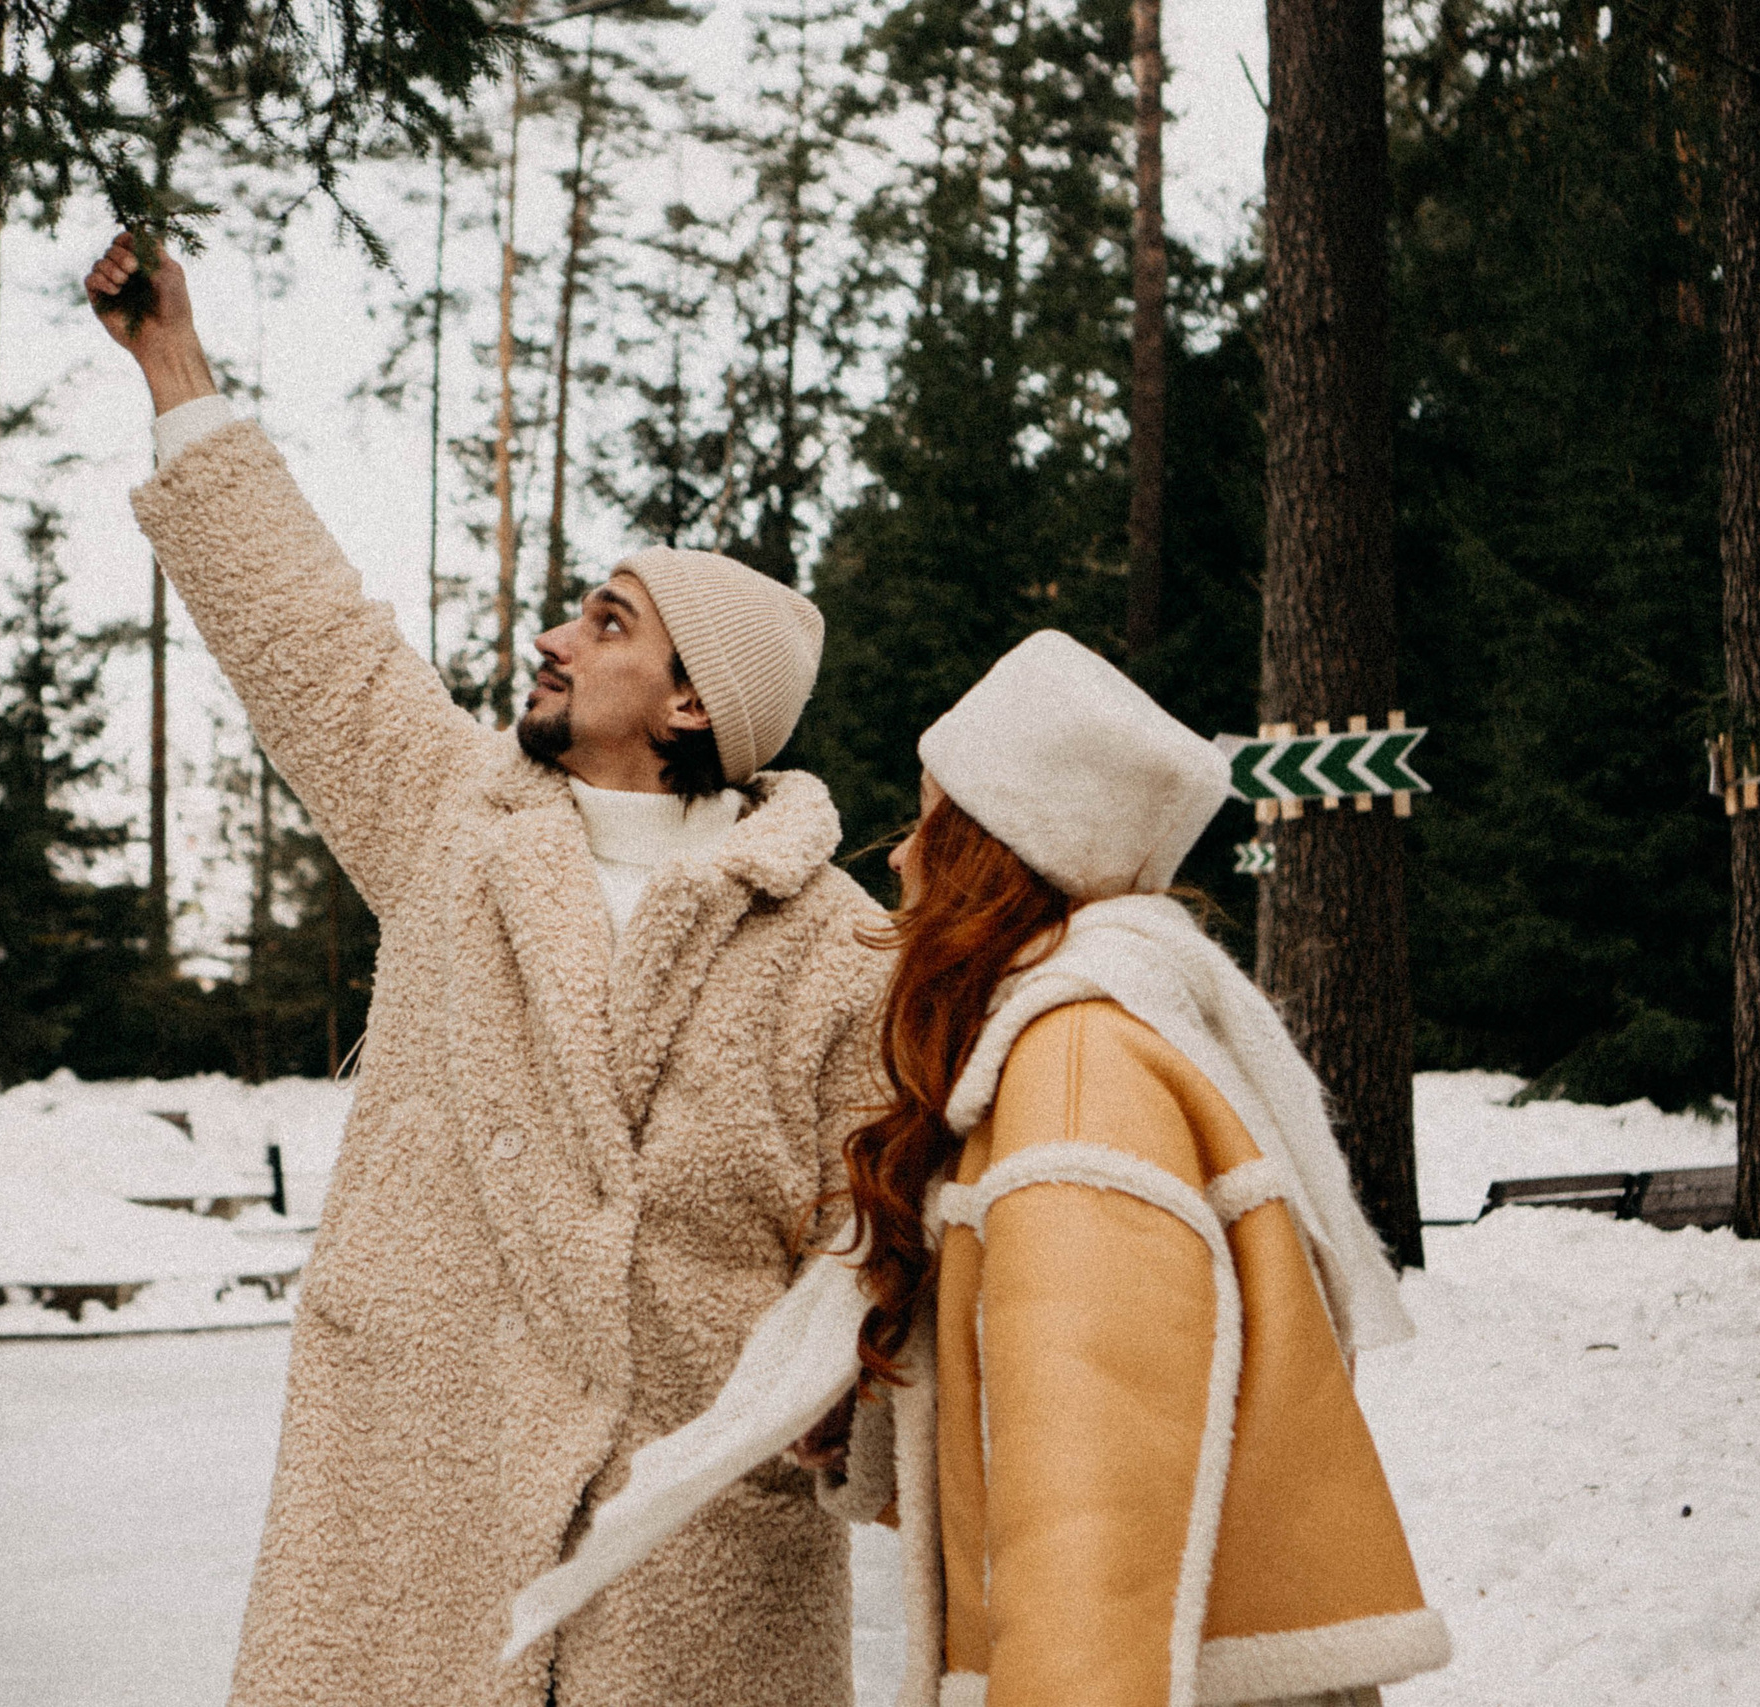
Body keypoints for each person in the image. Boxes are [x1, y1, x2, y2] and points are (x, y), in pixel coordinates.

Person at [84, 234, 890, 1707]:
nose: (551, 636)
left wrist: (827, 1412)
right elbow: (314, 643)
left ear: (699, 699)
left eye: (606, 620)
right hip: (420, 1512)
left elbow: (871, 1249)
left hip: (685, 1568)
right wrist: (174, 371)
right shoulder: (455, 827)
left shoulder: (833, 948)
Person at [505, 631, 1450, 1707]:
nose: (901, 857)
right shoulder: (1100, 1035)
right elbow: (1053, 1433)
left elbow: (1089, 1519)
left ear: (996, 849)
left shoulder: (1076, 1075)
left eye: (928, 821)